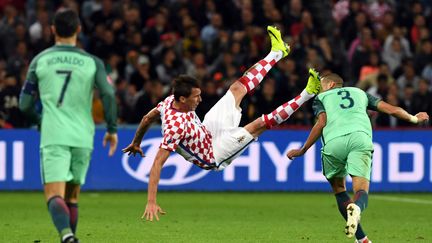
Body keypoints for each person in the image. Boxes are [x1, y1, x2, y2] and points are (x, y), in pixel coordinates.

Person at [122, 26, 321, 221]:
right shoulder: (175, 128)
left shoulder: (168, 102)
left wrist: (137, 141)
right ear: (182, 99)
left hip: (207, 130)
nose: (200, 100)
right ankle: (308, 93)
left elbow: (147, 118)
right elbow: (157, 163)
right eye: (196, 97)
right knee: (259, 123)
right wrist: (151, 201)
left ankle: (277, 52)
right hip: (214, 153)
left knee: (236, 88)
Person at [287, 73, 429, 243]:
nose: (319, 89)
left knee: (340, 191)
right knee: (361, 191)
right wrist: (414, 118)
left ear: (331, 84)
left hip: (334, 143)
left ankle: (362, 239)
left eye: (322, 85)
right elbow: (392, 109)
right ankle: (357, 209)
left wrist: (303, 149)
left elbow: (321, 123)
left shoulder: (322, 98)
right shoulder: (360, 93)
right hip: (360, 139)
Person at [19, 9, 118, 243]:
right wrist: (112, 129)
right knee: (72, 197)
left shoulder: (40, 60)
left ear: (53, 30)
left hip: (54, 134)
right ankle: (70, 237)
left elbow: (24, 105)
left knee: (54, 195)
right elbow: (108, 95)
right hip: (83, 136)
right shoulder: (92, 62)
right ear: (78, 30)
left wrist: (40, 121)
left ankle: (66, 236)